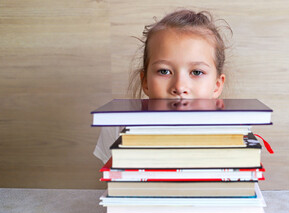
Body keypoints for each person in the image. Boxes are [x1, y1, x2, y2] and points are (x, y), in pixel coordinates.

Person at [94, 9, 232, 163]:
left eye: (197, 72)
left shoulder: (234, 132)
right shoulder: (119, 125)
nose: (179, 87)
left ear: (217, 85)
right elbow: (112, 180)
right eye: (164, 71)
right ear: (145, 81)